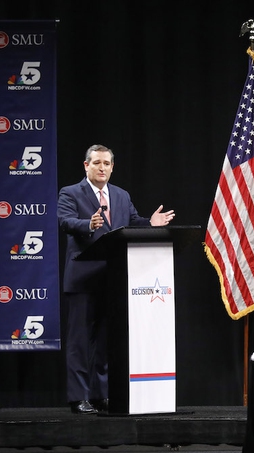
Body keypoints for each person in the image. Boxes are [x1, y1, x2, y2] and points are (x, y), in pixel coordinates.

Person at [57, 144, 175, 414]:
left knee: (105, 342)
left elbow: (132, 222)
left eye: (106, 163)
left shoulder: (121, 195)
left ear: (112, 167)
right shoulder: (71, 193)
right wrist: (88, 224)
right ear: (86, 165)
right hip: (83, 280)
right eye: (96, 162)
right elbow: (65, 221)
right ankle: (78, 398)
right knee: (79, 342)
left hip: (113, 280)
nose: (102, 167)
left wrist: (150, 224)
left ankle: (100, 395)